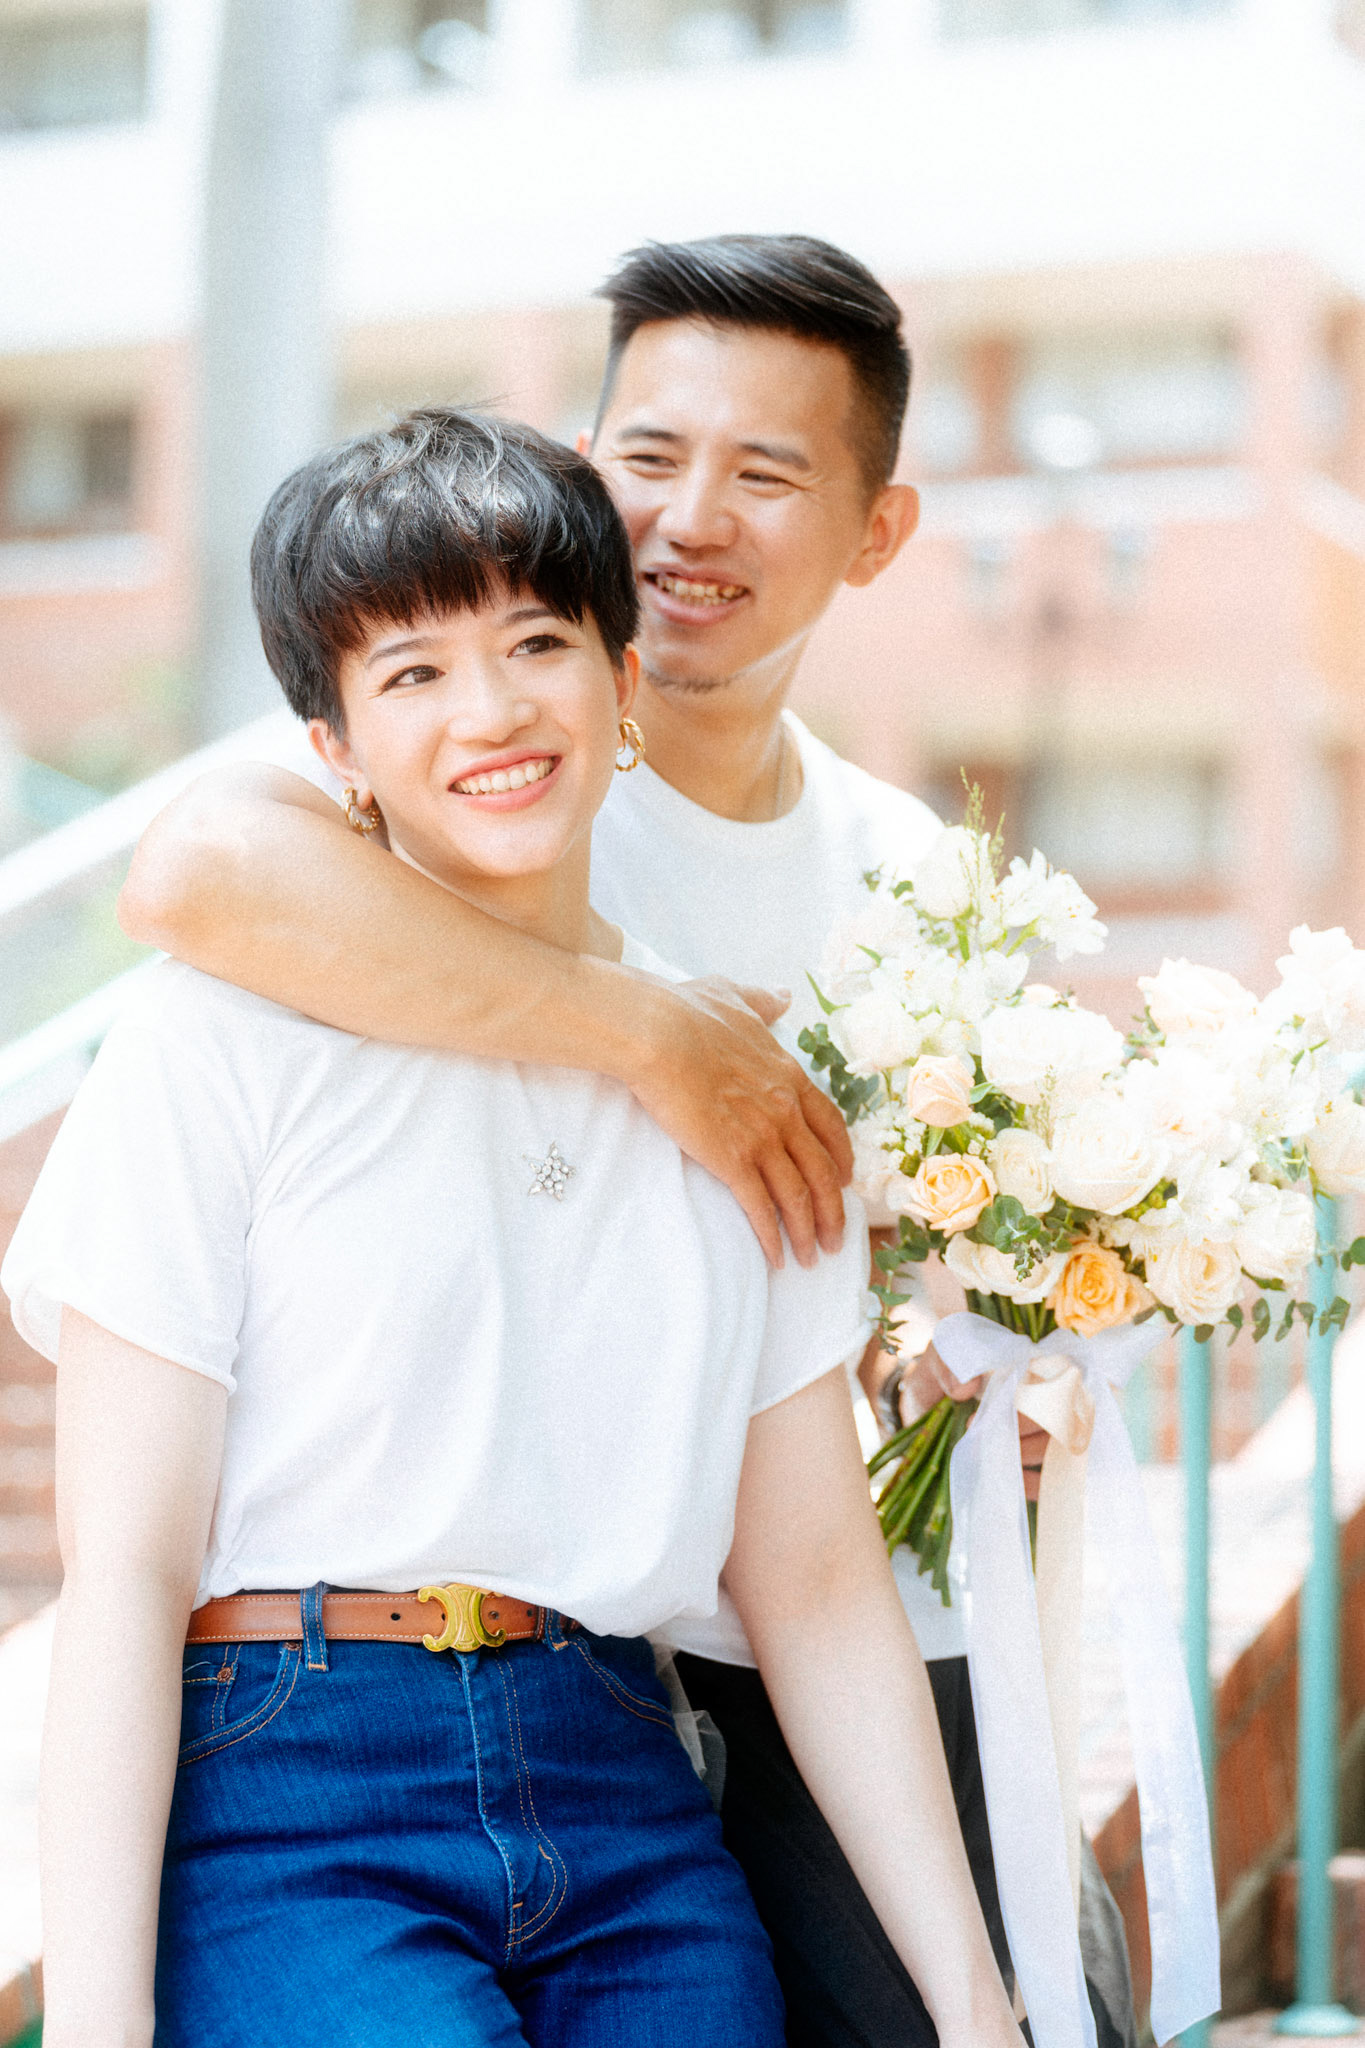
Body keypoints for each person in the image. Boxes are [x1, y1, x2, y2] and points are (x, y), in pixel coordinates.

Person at [120, 235, 1135, 2048]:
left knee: (1041, 1996)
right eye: (650, 457)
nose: (691, 518)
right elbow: (191, 876)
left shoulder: (910, 876)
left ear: (876, 531)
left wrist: (991, 1352)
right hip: (386, 1707)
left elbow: (834, 1472)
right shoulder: (425, 814)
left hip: (695, 1646)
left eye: (767, 472)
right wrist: (658, 1037)